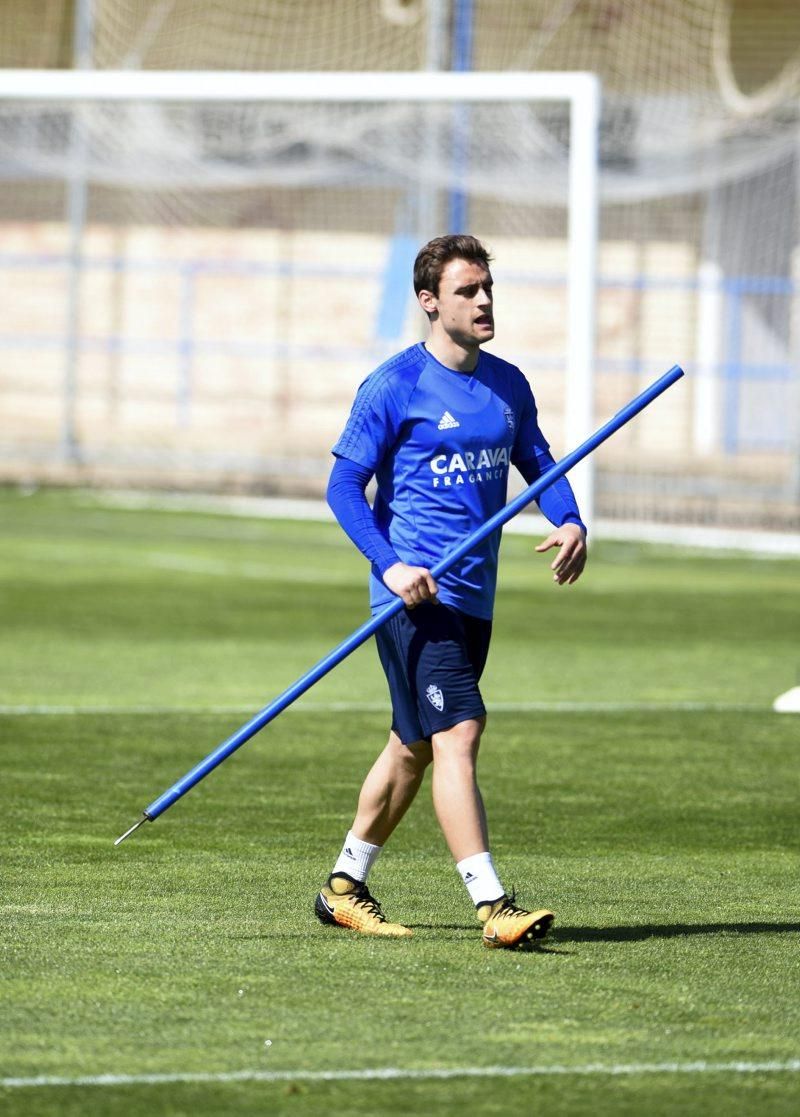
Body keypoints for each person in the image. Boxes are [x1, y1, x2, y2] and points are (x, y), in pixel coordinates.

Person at [314, 234, 587, 949]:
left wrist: (567, 519)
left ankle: (343, 884)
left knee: (413, 746)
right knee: (459, 730)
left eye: (488, 287)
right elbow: (344, 486)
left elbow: (539, 459)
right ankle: (492, 904)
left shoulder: (508, 385)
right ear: (431, 302)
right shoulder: (394, 384)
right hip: (413, 602)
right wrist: (389, 564)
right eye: (469, 291)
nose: (485, 301)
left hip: (474, 597)